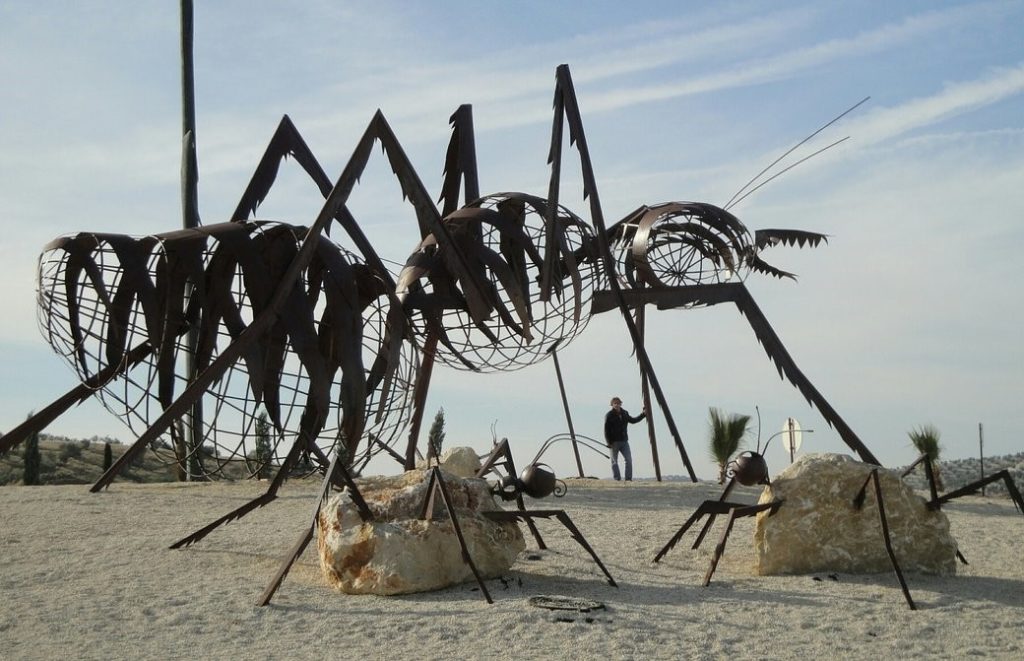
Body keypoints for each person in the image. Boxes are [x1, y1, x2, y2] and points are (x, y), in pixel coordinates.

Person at [604, 396, 646, 481]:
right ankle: (617, 479)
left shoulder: (625, 413)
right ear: (612, 405)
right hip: (613, 442)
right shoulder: (609, 415)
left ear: (620, 404)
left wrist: (643, 414)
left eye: (618, 403)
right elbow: (606, 430)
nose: (616, 405)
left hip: (624, 441)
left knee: (628, 460)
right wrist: (608, 442)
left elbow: (633, 420)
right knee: (614, 462)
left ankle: (628, 479)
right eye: (614, 403)